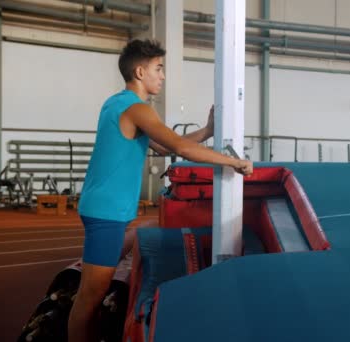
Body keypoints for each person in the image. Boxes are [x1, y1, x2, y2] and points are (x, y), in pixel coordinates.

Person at [68, 39, 253, 342]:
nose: (163, 75)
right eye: (159, 68)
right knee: (89, 298)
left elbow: (161, 144)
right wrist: (234, 162)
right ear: (140, 72)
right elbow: (180, 147)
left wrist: (207, 131)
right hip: (106, 212)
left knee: (131, 242)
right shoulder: (138, 109)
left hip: (102, 206)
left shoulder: (117, 102)